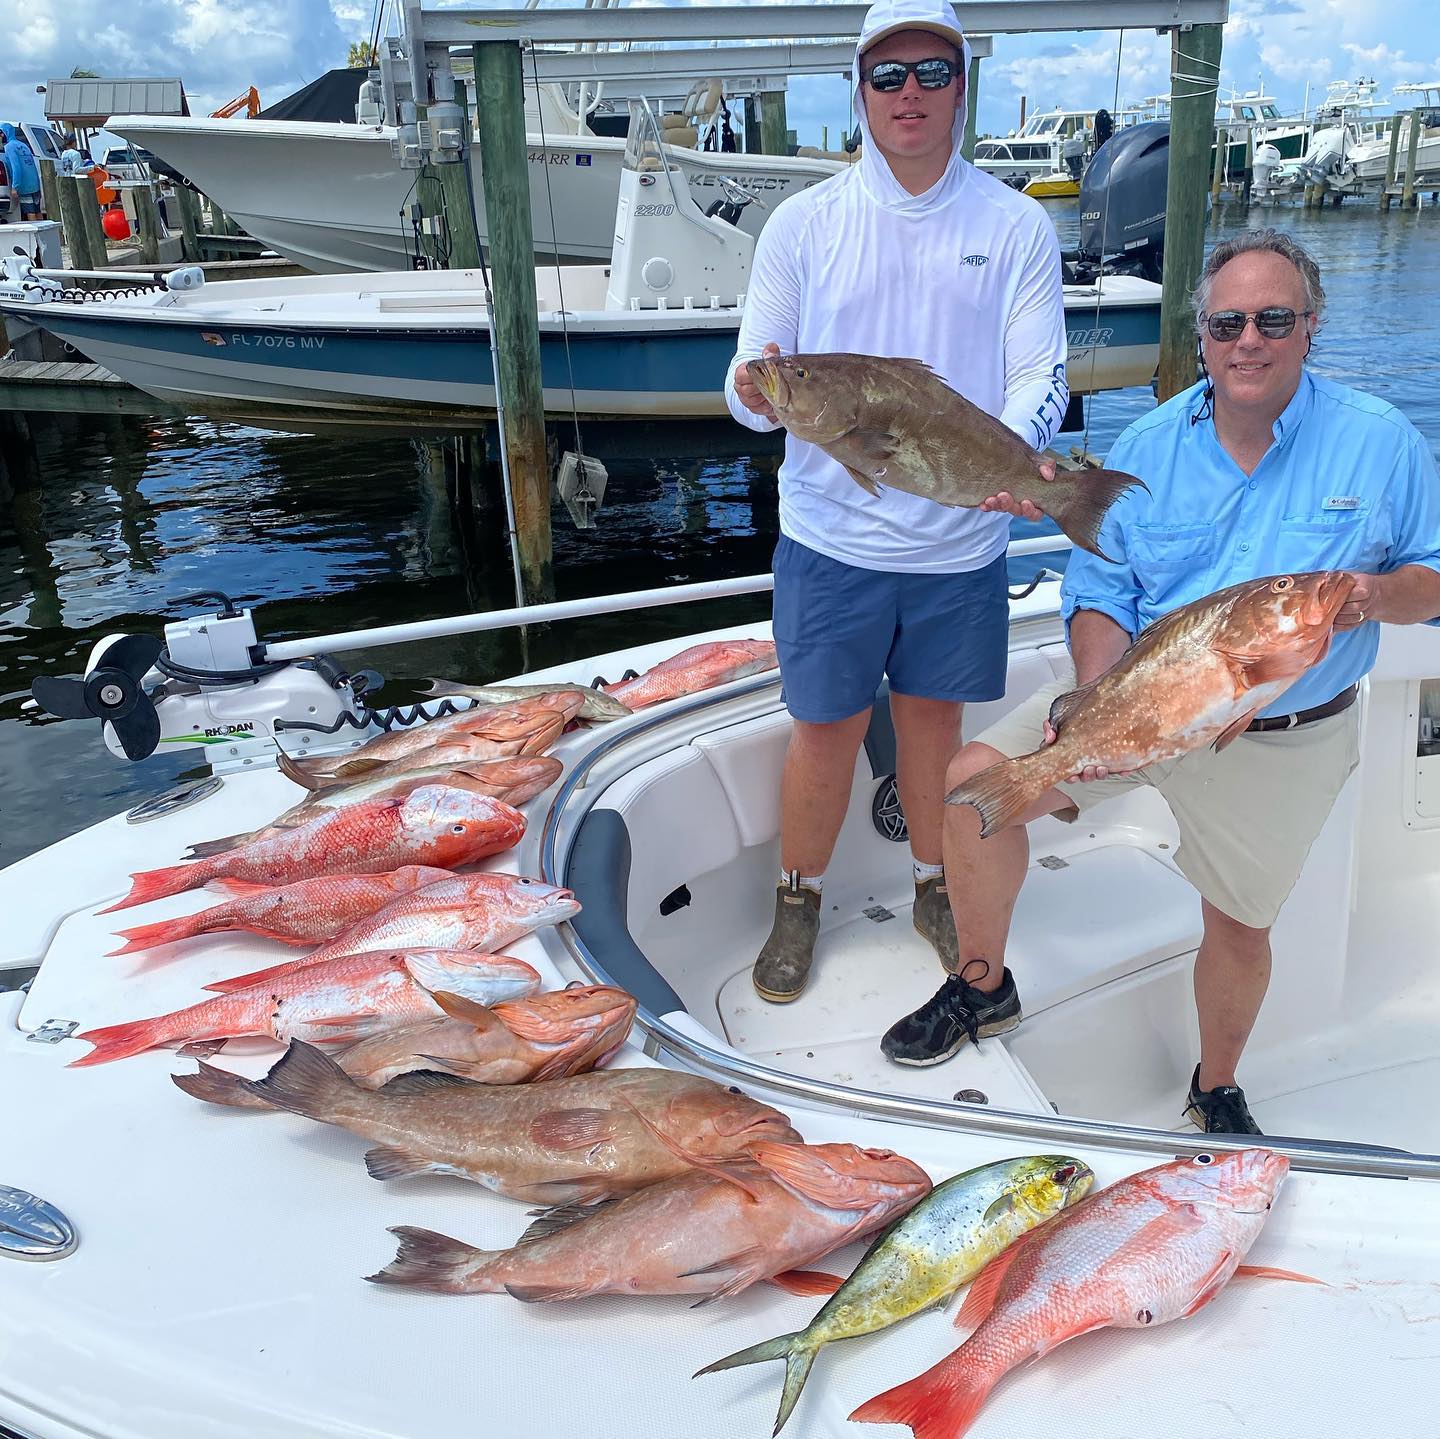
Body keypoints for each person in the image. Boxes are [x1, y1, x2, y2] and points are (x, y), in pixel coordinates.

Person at [899, 228, 1440, 1132]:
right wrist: (1098, 709)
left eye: (1273, 318)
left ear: (1310, 326)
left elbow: (1433, 576)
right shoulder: (1146, 445)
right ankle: (983, 981)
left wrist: (1377, 594)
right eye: (1227, 323)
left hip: (1283, 730)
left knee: (1238, 921)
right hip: (1146, 689)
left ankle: (1214, 1084)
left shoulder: (1379, 442)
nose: (1248, 341)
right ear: (1202, 337)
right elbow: (1102, 594)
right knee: (969, 789)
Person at [725, 0, 1069, 1005]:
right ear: (860, 91)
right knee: (823, 728)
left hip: (961, 543)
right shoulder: (805, 224)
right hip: (829, 540)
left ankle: (933, 884)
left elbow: (1040, 373)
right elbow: (754, 375)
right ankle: (799, 898)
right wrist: (752, 391)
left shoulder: (1014, 224)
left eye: (930, 72)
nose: (908, 94)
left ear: (962, 84)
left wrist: (1018, 459)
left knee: (931, 728)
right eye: (887, 76)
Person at [0, 124, 42, 220]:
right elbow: (32, 165)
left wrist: (15, 186)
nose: (1, 136)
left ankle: (34, 235)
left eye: (1, 133)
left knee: (30, 212)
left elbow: (16, 167)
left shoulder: (9, 147)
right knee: (37, 211)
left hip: (24, 186)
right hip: (34, 184)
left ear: (6, 132)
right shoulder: (23, 145)